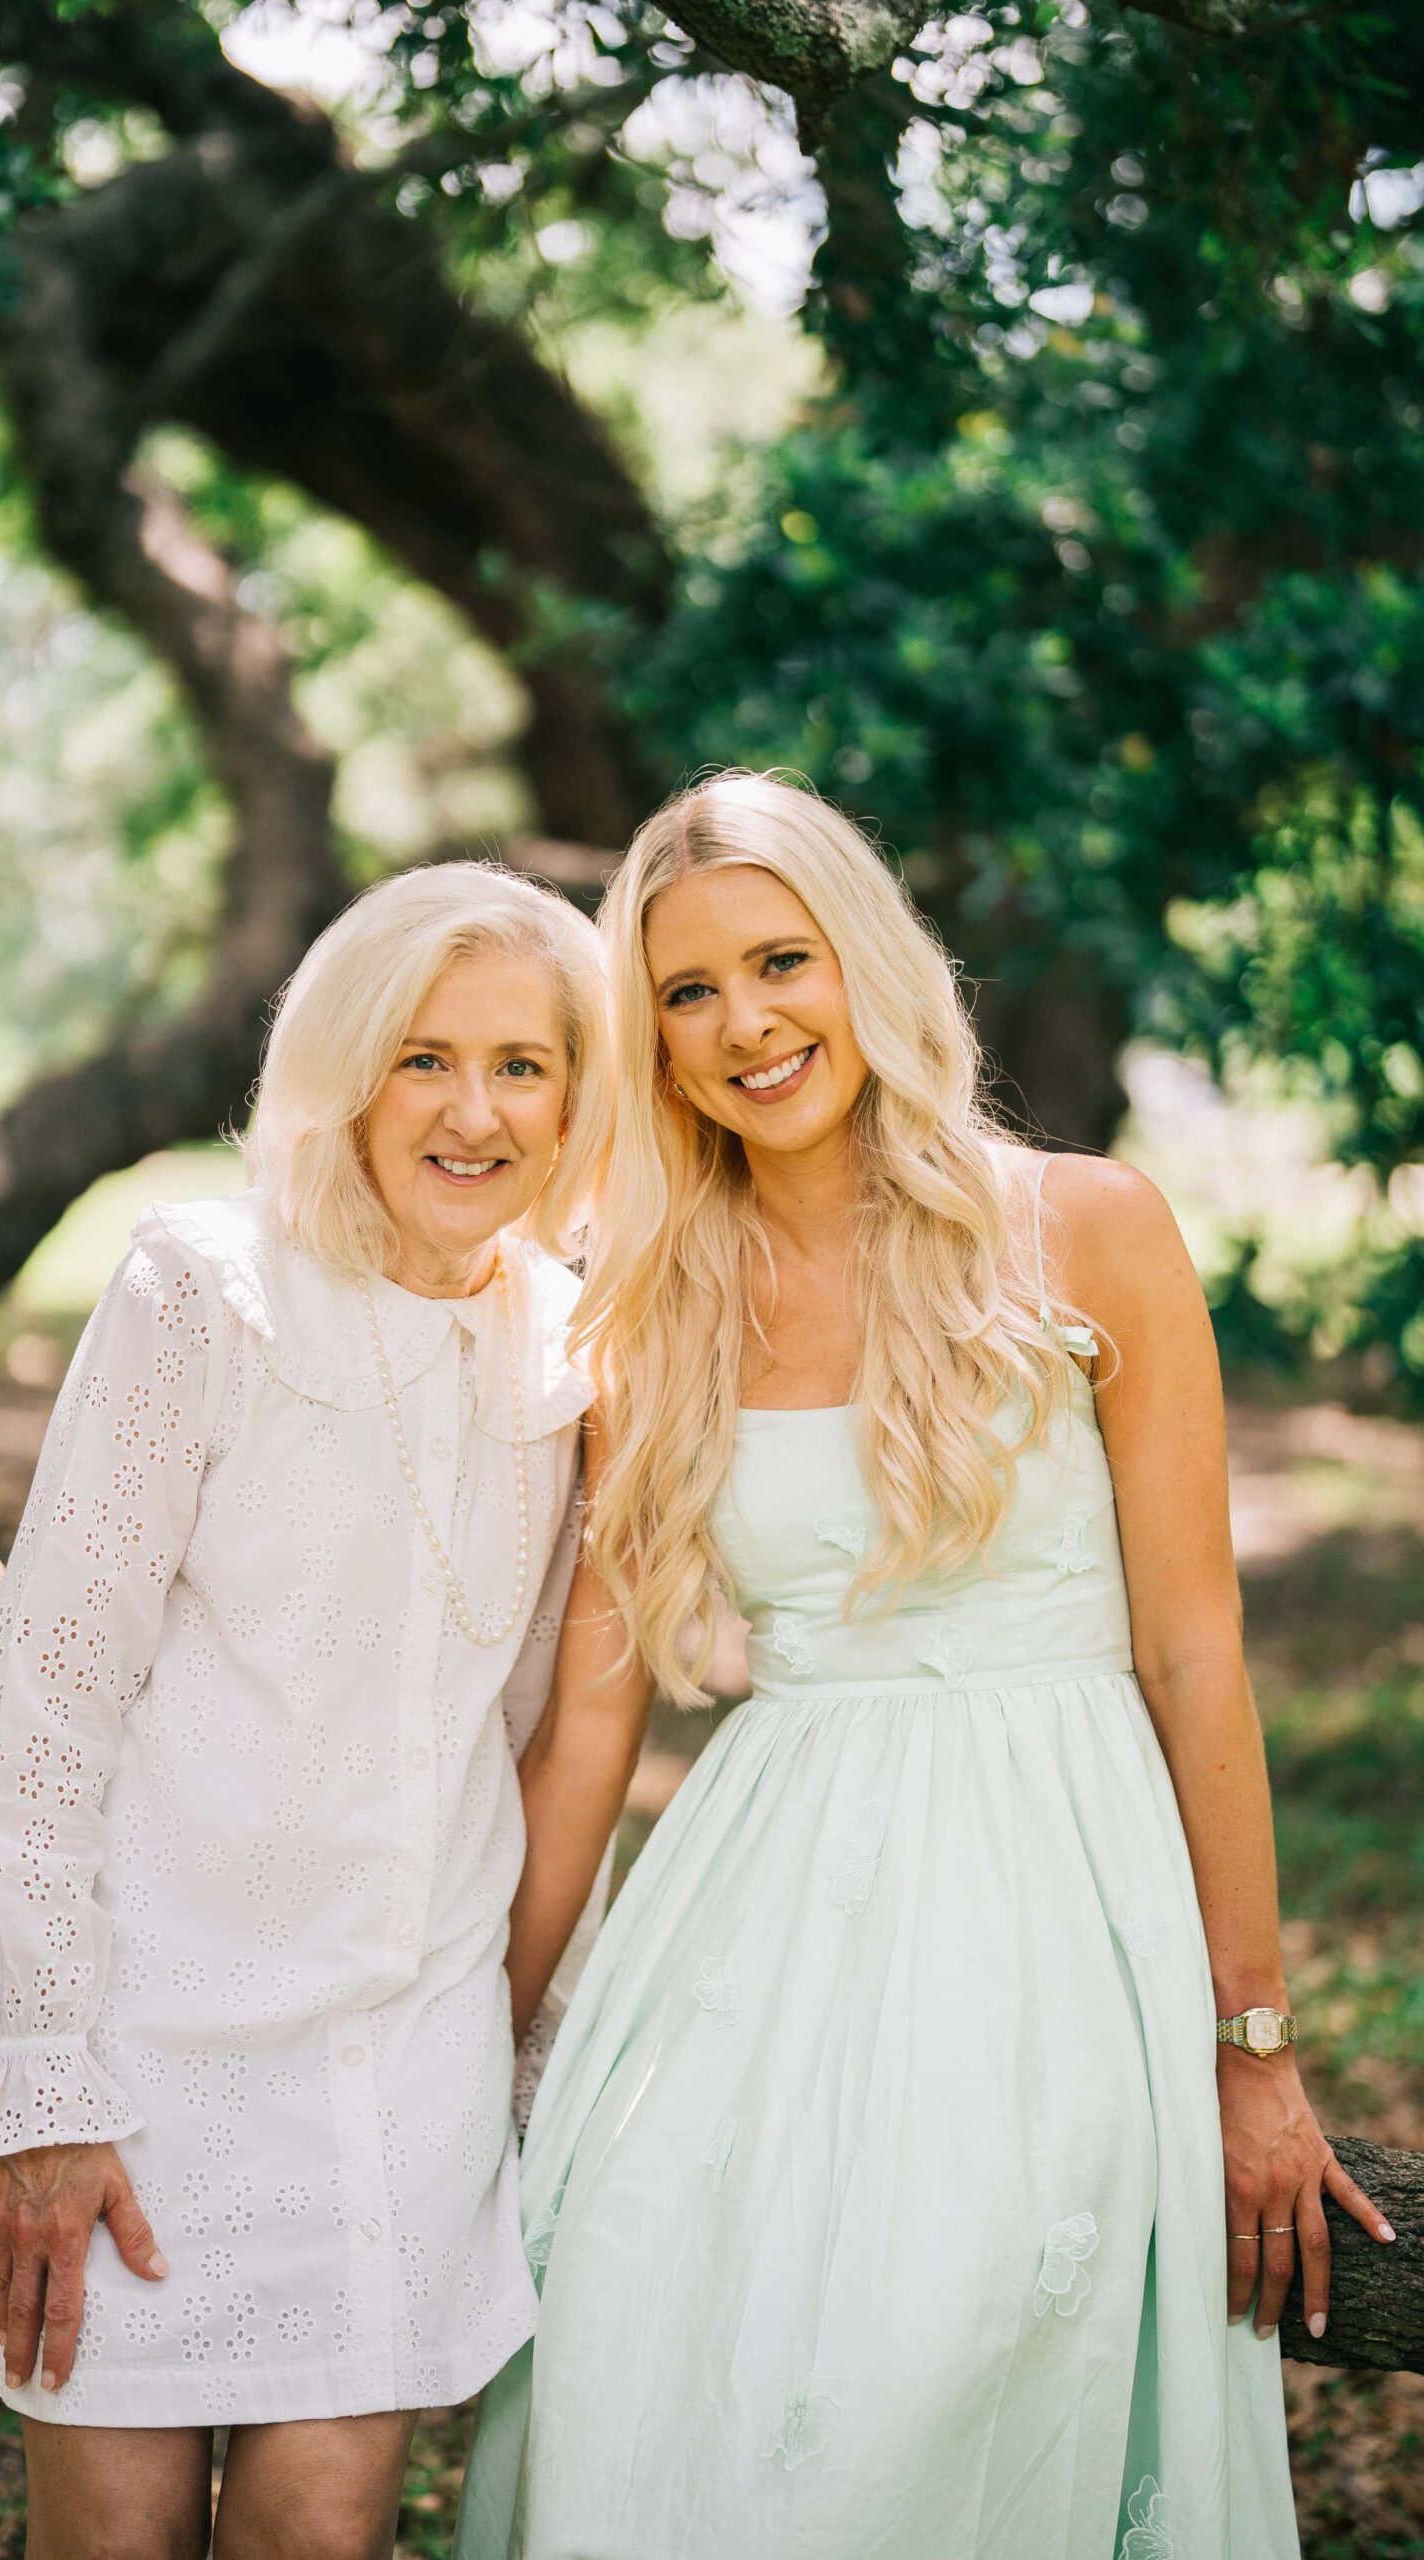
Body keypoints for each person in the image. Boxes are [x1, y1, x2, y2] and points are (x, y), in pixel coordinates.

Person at [454, 771, 1396, 2560]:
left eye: (780, 960)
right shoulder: (647, 1305)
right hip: (755, 1911)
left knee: (944, 2371)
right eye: (686, 993)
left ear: (863, 960)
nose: (746, 1024)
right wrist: (477, 2021)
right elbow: (591, 1724)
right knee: (643, 2326)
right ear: (649, 1043)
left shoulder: (1086, 1228)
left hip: (1054, 1893)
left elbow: (1198, 1655)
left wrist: (1253, 2049)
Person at [0, 861, 613, 2560]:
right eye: (423, 1058)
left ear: (581, 1096)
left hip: (395, 2061)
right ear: (345, 1068)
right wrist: (41, 2093)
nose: (474, 1112)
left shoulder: (577, 1350)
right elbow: (42, 1724)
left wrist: (493, 2034)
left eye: (523, 1065)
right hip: (138, 2045)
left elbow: (535, 1735)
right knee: (117, 2539)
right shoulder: (208, 1292)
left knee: (324, 2532)